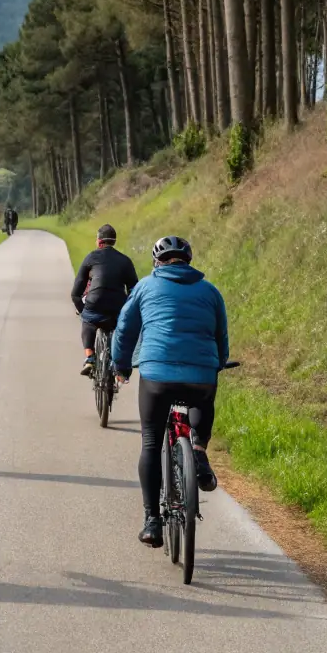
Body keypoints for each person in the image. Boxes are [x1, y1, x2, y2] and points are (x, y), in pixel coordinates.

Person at [111, 234, 228, 548]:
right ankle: (200, 454)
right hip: (200, 375)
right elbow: (221, 336)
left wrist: (120, 364)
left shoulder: (145, 287)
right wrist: (218, 363)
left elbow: (125, 329)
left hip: (157, 375)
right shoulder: (210, 291)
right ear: (188, 261)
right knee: (203, 397)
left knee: (151, 441)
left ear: (157, 262)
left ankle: (152, 521)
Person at [71, 223, 138, 377]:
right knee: (119, 328)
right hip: (117, 308)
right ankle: (117, 361)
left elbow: (75, 294)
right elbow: (134, 290)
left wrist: (83, 312)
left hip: (94, 304)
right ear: (114, 241)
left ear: (99, 241)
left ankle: (89, 357)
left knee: (88, 321)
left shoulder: (90, 258)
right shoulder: (125, 260)